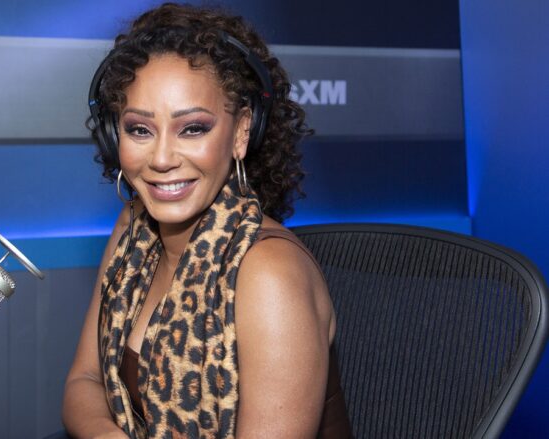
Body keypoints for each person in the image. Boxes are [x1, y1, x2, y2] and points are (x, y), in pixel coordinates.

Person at [62, 3, 350, 438]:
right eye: (140, 129)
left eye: (193, 128)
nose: (162, 158)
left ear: (241, 132)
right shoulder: (132, 228)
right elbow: (85, 381)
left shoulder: (269, 274)